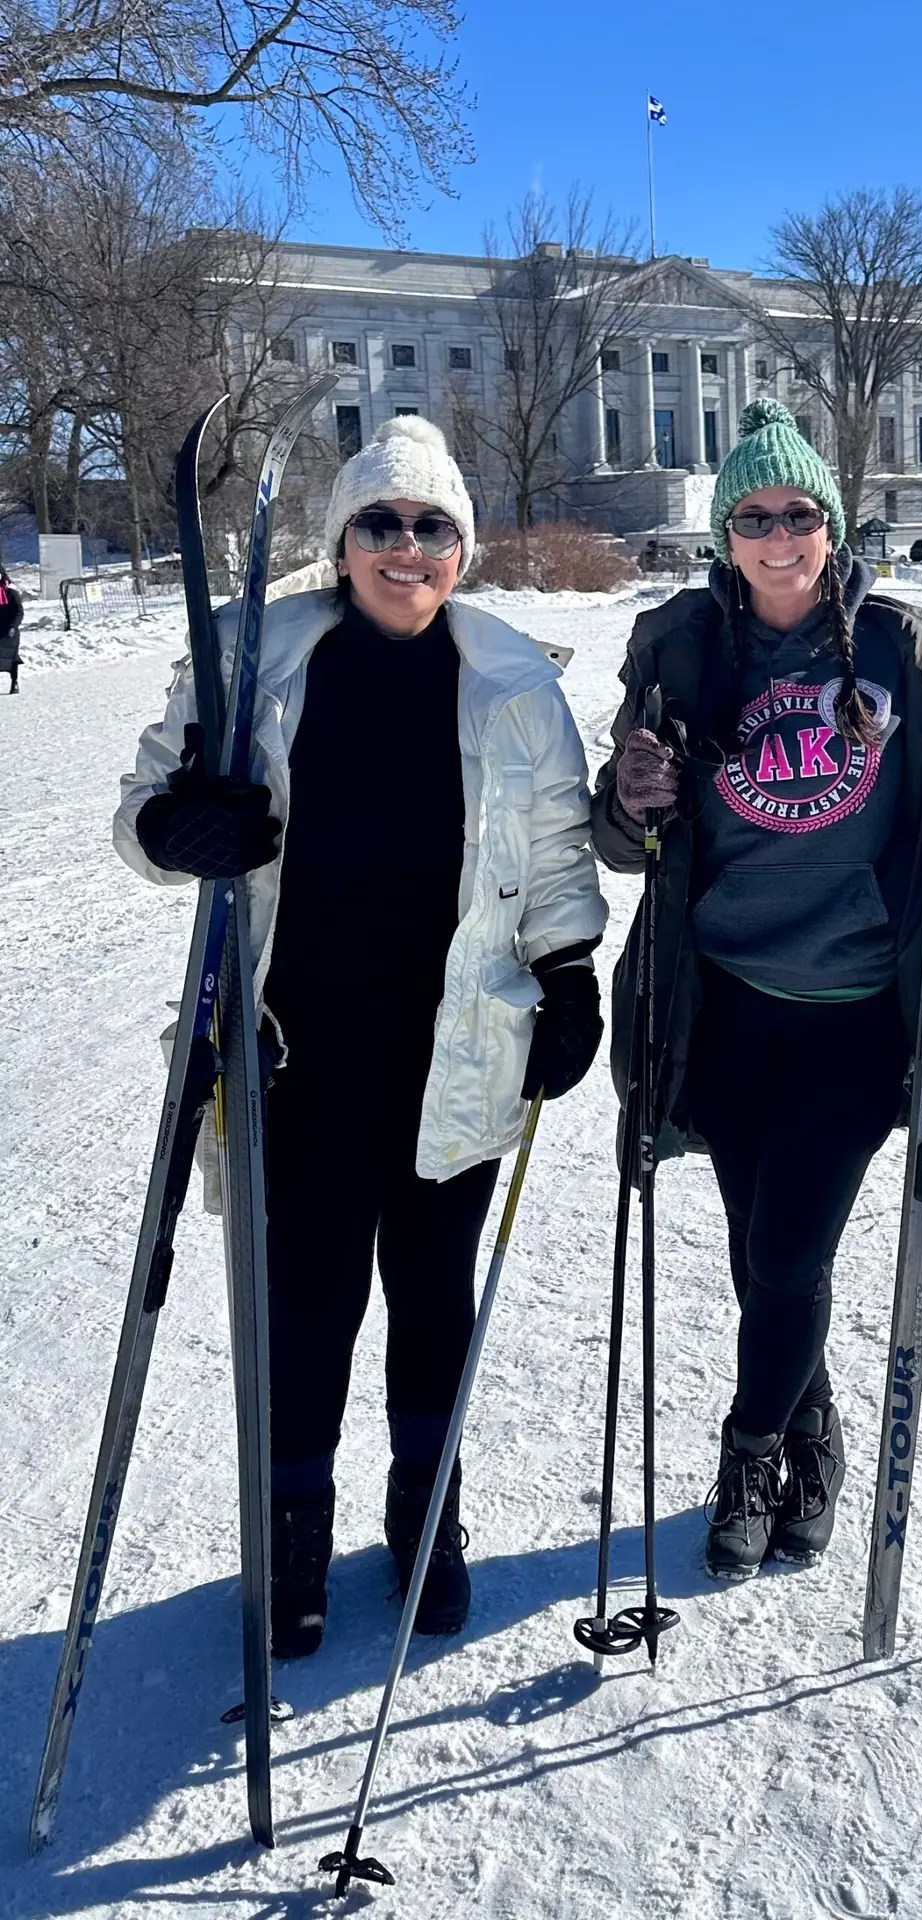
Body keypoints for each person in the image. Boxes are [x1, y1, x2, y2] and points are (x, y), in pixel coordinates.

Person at [114, 416, 607, 1653]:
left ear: (463, 549)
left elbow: (552, 853)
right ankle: (293, 1522)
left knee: (434, 1299)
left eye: (431, 526)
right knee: (310, 1303)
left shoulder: (514, 683)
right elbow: (143, 802)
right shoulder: (253, 660)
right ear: (341, 545)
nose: (405, 547)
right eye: (378, 524)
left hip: (461, 1045)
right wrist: (179, 830)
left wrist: (572, 972)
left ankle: (423, 1511)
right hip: (297, 1050)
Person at [591, 399, 922, 1579]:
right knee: (756, 1251)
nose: (778, 535)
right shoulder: (683, 648)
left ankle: (750, 1454)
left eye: (798, 514)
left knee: (789, 1255)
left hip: (857, 1007)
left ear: (832, 526)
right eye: (753, 515)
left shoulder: (907, 647)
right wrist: (629, 799)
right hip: (724, 1001)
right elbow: (622, 836)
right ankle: (815, 1427)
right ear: (726, 534)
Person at [0, 566, 24, 692]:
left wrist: (13, 626)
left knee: (11, 657)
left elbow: (19, 612)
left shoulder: (12, 594)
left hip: (10, 630)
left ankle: (14, 682)